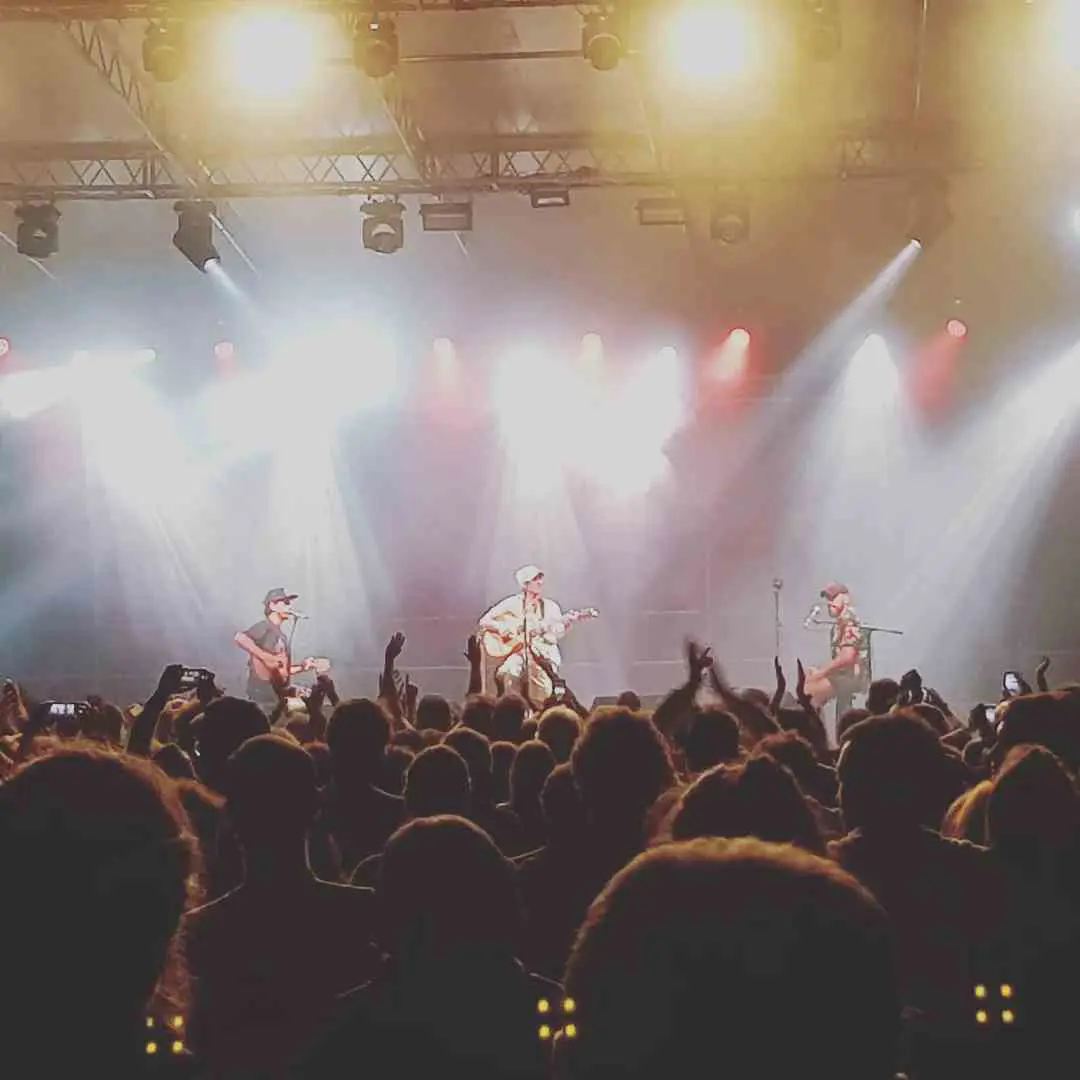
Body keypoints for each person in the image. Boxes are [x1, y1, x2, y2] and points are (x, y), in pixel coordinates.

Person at [476, 566, 568, 707]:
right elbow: (484, 621)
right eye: (535, 579)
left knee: (542, 690)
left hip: (543, 655)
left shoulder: (551, 607)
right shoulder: (512, 603)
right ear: (525, 584)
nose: (540, 582)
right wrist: (503, 628)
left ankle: (539, 711)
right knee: (507, 672)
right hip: (520, 653)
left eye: (540, 579)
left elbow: (557, 634)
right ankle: (516, 710)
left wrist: (565, 625)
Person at [234, 588, 318, 709]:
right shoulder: (265, 626)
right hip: (262, 693)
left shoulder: (281, 635)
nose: (290, 607)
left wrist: (303, 667)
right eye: (286, 603)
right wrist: (265, 657)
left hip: (275, 693)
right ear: (272, 605)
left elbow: (281, 669)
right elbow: (240, 637)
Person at [803, 582, 869, 716]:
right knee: (808, 676)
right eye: (828, 599)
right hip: (842, 675)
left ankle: (810, 723)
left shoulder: (850, 622)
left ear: (845, 598)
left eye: (833, 598)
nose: (829, 603)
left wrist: (821, 673)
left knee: (810, 690)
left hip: (850, 676)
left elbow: (847, 657)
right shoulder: (841, 623)